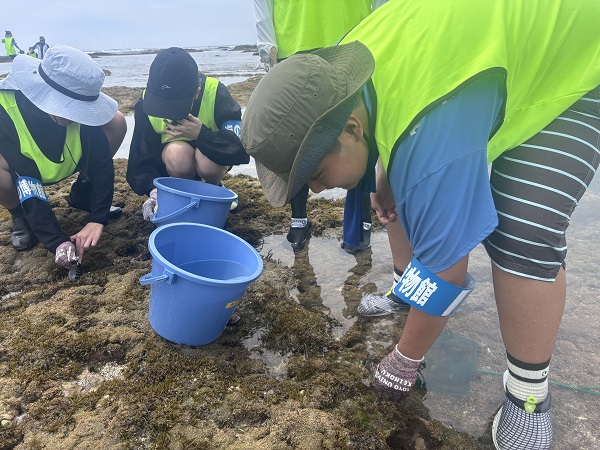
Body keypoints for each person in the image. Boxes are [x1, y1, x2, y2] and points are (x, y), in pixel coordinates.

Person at [240, 1, 600, 448]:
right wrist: (385, 174)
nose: (314, 191)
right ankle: (408, 293)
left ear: (351, 129)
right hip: (484, 59)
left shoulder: (427, 139)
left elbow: (448, 273)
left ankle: (528, 394)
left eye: (314, 174)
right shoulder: (342, 73)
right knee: (403, 189)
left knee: (520, 228)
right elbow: (399, 101)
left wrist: (404, 359)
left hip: (576, 53)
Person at [253, 0, 382, 252]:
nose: (318, 189)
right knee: (294, 146)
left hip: (355, 38)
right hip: (295, 47)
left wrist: (380, 29)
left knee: (361, 130)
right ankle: (299, 218)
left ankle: (359, 223)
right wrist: (268, 50)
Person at [0, 44, 127, 273]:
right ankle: (20, 216)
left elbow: (101, 162)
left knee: (117, 121)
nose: (77, 116)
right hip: (23, 172)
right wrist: (57, 242)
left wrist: (97, 218)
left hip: (70, 162)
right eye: (71, 109)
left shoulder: (82, 99)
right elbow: (27, 179)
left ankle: (83, 192)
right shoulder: (5, 112)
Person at [126, 47, 249, 219]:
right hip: (173, 165)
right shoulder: (146, 101)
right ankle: (184, 192)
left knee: (207, 163)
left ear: (197, 92)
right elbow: (141, 154)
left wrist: (202, 134)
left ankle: (213, 188)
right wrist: (153, 191)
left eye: (175, 106)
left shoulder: (216, 93)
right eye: (161, 104)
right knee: (177, 154)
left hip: (212, 160)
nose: (168, 112)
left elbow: (239, 149)